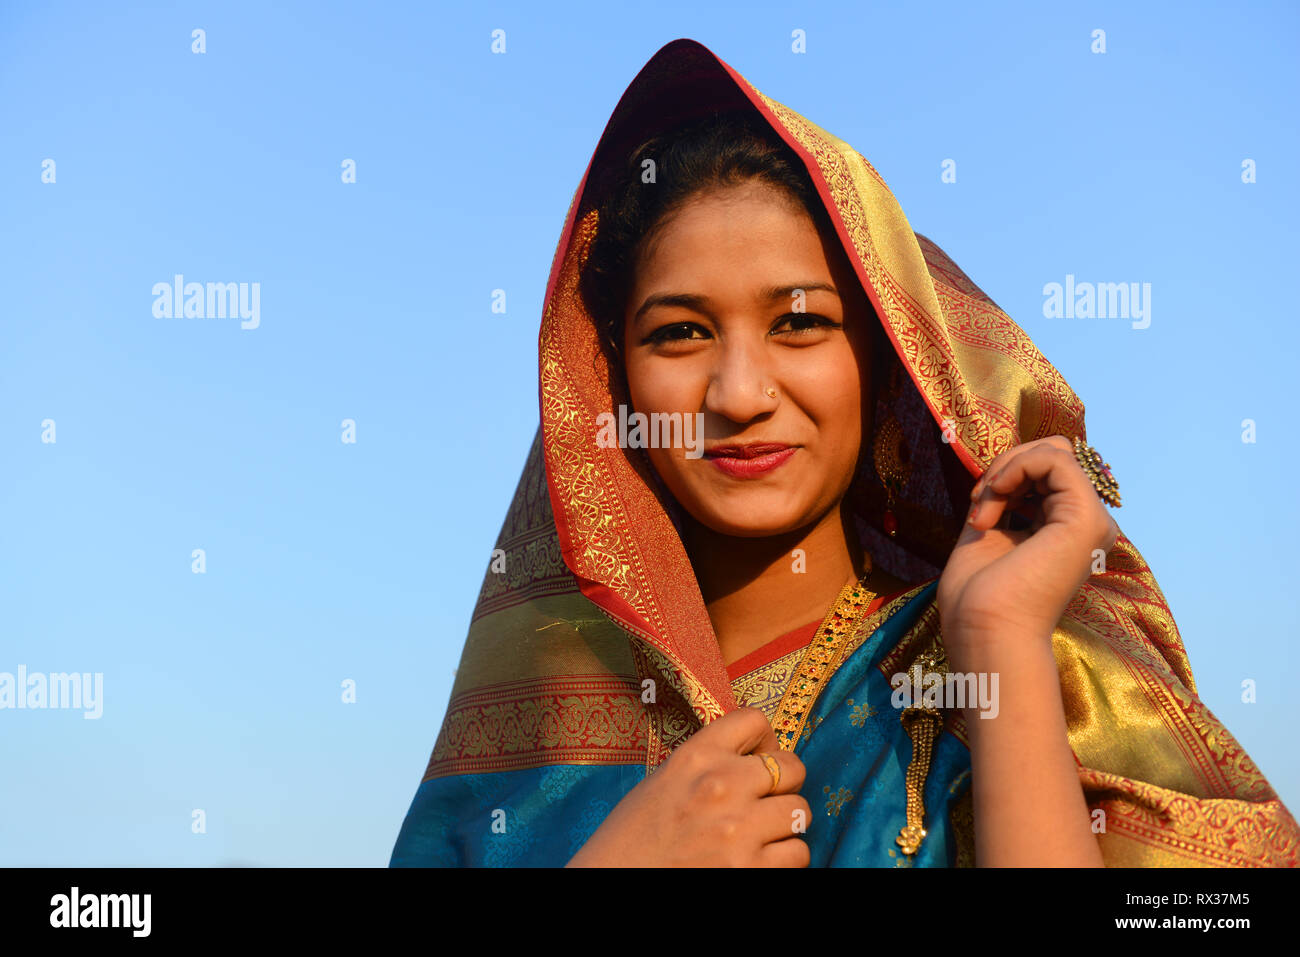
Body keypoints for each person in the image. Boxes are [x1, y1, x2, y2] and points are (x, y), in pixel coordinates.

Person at [390, 38, 1299, 867]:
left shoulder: (1020, 670)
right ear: (613, 380)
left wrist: (1004, 645)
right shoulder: (534, 748)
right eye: (679, 333)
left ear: (885, 360)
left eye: (800, 323)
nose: (740, 394)